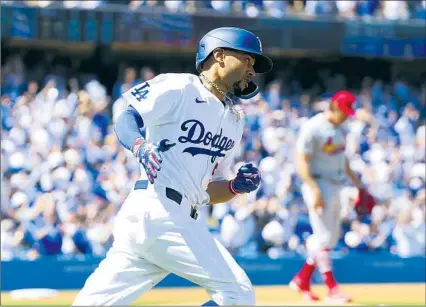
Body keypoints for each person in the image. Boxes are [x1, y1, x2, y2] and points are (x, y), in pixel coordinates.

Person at [72, 27, 273, 306]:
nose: (253, 69)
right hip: (160, 211)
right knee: (237, 295)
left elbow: (204, 191)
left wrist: (233, 187)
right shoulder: (181, 86)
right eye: (249, 59)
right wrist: (139, 145)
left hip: (168, 215)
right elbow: (126, 115)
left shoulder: (233, 121)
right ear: (220, 55)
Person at [289, 91, 373, 303]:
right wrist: (314, 189)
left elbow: (343, 160)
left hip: (336, 184)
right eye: (344, 111)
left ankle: (302, 280)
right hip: (317, 183)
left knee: (330, 238)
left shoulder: (341, 128)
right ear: (333, 107)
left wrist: (359, 185)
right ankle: (332, 287)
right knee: (324, 237)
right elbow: (302, 162)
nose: (346, 116)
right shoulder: (313, 128)